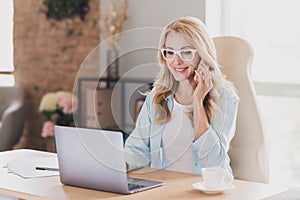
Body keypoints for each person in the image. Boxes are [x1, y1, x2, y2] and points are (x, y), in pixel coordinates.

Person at [125, 16, 239, 178]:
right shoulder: (157, 97)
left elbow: (214, 162)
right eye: (169, 52)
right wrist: (116, 163)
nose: (176, 61)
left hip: (206, 191)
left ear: (202, 54)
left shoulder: (225, 98)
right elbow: (137, 150)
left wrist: (198, 101)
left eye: (186, 52)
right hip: (164, 191)